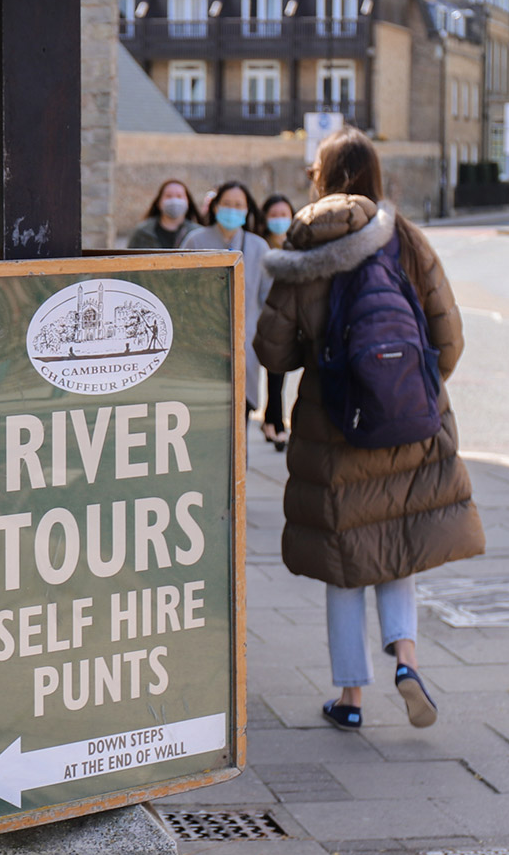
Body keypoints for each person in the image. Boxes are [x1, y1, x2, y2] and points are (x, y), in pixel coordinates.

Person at [254, 127, 485, 731]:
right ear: (375, 173)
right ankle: (407, 660)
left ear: (322, 176)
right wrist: (407, 389)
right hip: (407, 422)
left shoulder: (305, 239)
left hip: (335, 426)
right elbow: (448, 337)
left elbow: (272, 351)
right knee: (396, 545)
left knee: (344, 560)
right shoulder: (403, 236)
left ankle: (352, 698)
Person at [179, 180, 267, 417]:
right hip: (201, 348)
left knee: (239, 419)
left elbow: (267, 300)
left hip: (244, 347)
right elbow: (181, 292)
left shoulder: (259, 247)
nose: (232, 209)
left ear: (247, 210)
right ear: (216, 206)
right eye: (227, 203)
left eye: (238, 205)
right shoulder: (195, 241)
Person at [257, 194, 296, 449]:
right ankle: (274, 422)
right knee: (269, 372)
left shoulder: (298, 246)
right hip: (260, 314)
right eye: (274, 215)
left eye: (284, 215)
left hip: (286, 317)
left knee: (278, 373)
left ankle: (274, 421)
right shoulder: (260, 246)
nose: (279, 220)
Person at [127, 179, 198, 249]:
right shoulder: (142, 233)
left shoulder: (197, 233)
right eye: (168, 196)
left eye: (179, 196)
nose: (174, 200)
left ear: (188, 202)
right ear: (159, 202)